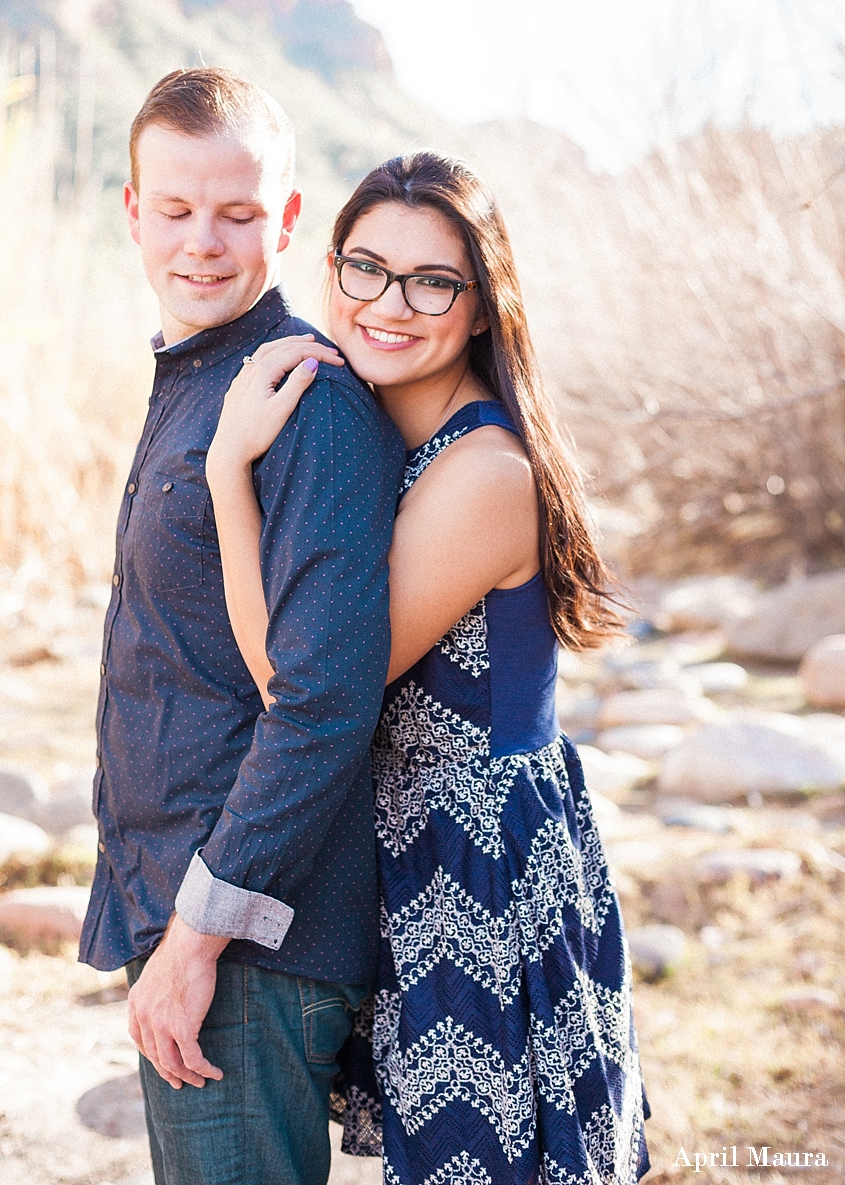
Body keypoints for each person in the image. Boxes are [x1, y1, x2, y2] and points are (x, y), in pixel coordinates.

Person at [205, 151, 651, 1185]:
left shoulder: (482, 473)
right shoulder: (382, 434)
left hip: (482, 862)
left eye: (430, 282)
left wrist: (228, 471)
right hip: (414, 846)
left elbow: (296, 681)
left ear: (482, 304)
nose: (387, 304)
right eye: (363, 268)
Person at [79, 67, 404, 1185]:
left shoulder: (305, 402)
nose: (203, 243)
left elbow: (321, 701)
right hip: (190, 910)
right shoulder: (200, 380)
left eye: (237, 212)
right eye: (173, 209)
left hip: (244, 936)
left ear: (290, 218)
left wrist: (197, 939)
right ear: (131, 210)